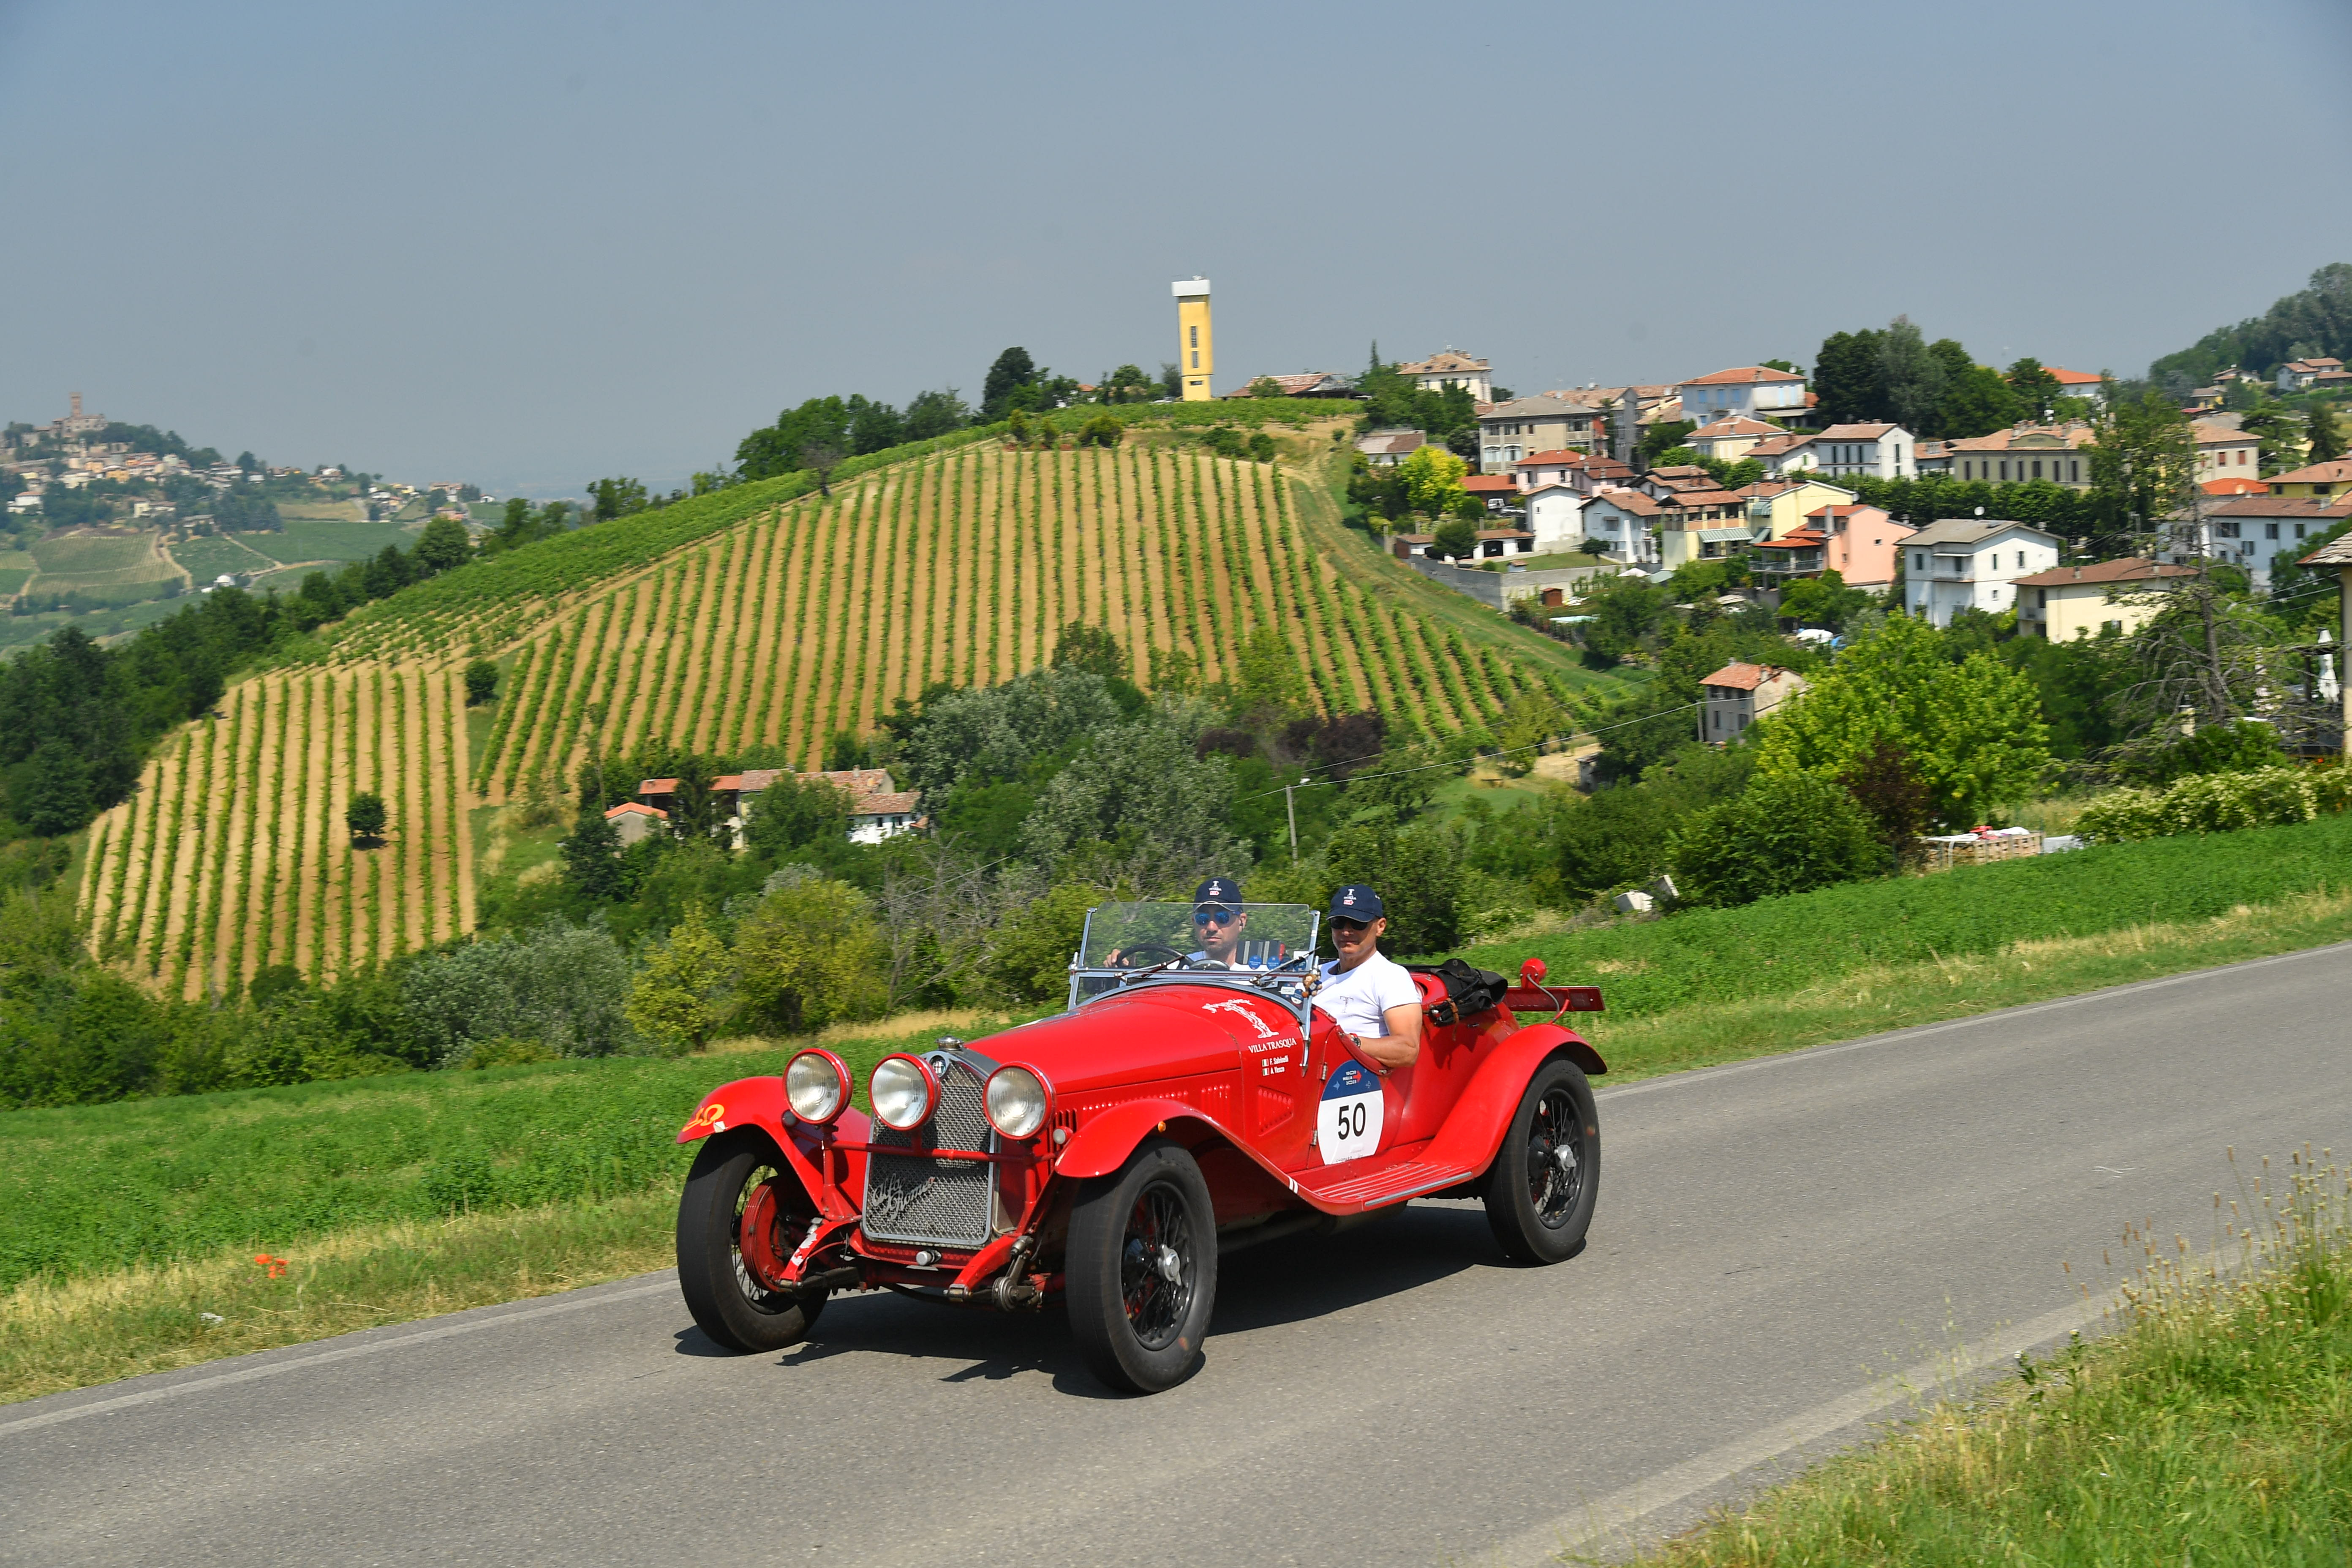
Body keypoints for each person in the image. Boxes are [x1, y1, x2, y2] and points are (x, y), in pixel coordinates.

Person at [1310, 885, 1422, 1073]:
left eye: (1358, 924)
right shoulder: (1315, 973)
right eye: (1339, 922)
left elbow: (1408, 1049)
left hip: (1353, 1080)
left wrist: (1347, 1042)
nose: (1346, 932)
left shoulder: (1391, 977)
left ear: (1380, 927)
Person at [1185, 877, 1250, 968]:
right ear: (1193, 922)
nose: (1211, 928)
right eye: (1202, 918)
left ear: (1241, 922)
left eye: (1222, 917)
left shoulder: (1265, 974)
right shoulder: (1179, 970)